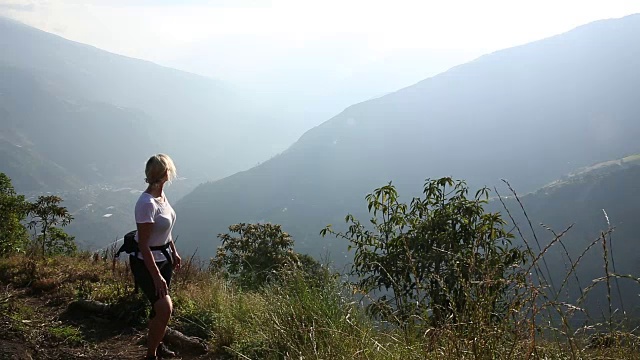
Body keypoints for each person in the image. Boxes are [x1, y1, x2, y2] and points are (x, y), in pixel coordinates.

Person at [130, 154, 182, 360]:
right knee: (164, 308)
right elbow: (143, 244)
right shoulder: (146, 204)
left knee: (157, 308)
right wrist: (156, 276)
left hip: (163, 259)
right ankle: (151, 355)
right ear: (165, 174)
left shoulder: (161, 197)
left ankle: (157, 347)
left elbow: (164, 230)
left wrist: (174, 251)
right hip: (146, 262)